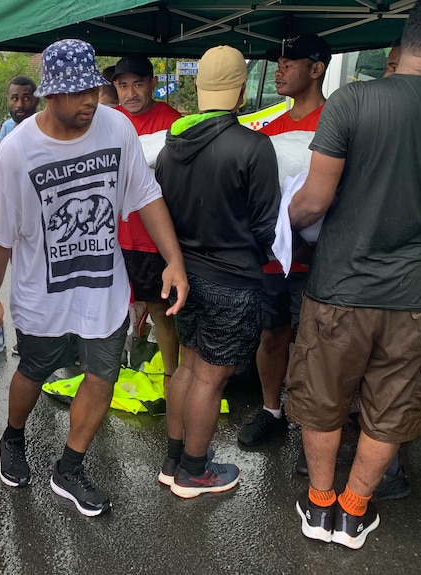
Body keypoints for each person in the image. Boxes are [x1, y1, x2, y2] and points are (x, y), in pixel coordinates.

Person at [287, 0, 421, 549]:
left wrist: (284, 223)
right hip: (416, 295)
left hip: (339, 289)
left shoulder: (354, 99)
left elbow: (314, 202)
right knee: (392, 404)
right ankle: (354, 510)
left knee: (323, 396)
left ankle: (320, 503)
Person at [0, 38, 188, 517]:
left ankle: (69, 468)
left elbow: (146, 195)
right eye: (78, 94)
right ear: (51, 95)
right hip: (42, 292)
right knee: (34, 370)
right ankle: (13, 438)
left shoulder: (116, 128)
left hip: (104, 287)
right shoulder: (16, 151)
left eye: (93, 89)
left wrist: (173, 259)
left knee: (103, 374)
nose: (91, 101)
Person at [155, 45, 279, 499]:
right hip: (232, 279)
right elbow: (265, 226)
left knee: (187, 368)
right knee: (211, 377)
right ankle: (194, 470)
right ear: (242, 89)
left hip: (184, 275)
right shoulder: (253, 146)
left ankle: (174, 459)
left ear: (198, 87)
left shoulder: (170, 148)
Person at [237, 34, 331, 448]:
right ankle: (272, 411)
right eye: (278, 61)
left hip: (321, 259)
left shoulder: (335, 124)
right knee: (272, 336)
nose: (279, 69)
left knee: (317, 346)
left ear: (317, 68)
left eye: (289, 62)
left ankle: (317, 432)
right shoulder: (268, 129)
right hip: (273, 259)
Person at [112, 53, 182, 390]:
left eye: (138, 84)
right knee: (109, 312)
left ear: (153, 83)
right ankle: (106, 376)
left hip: (151, 240)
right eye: (123, 85)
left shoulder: (173, 122)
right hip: (113, 237)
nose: (130, 93)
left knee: (160, 311)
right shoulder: (107, 121)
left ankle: (172, 379)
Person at [0, 75, 39, 159]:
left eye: (26, 99)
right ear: (8, 100)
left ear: (36, 100)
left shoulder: (46, 128)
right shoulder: (7, 126)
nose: (20, 105)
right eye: (14, 99)